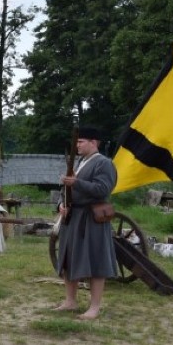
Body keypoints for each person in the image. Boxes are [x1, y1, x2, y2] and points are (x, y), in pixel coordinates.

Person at [54, 126, 118, 320]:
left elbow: (103, 189)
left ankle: (94, 307)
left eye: (81, 141)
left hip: (91, 219)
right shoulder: (81, 162)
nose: (77, 145)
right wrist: (61, 205)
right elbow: (67, 189)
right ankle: (70, 301)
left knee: (95, 262)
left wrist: (76, 183)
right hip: (72, 216)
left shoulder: (104, 164)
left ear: (94, 142)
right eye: (77, 141)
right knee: (68, 259)